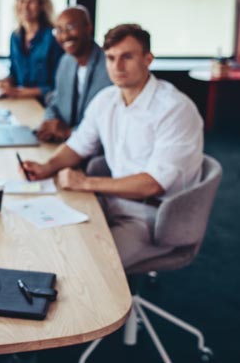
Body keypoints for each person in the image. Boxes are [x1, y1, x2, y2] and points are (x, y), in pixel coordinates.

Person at [22, 24, 203, 268]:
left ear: (147, 59)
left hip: (153, 217)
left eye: (127, 57)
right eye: (110, 58)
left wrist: (85, 183)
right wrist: (47, 166)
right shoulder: (106, 100)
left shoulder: (174, 109)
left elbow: (153, 183)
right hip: (110, 202)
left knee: (87, 269)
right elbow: (78, 145)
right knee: (51, 243)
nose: (117, 67)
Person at [37, 6, 112, 143]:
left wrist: (69, 133)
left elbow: (108, 122)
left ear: (88, 28)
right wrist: (51, 121)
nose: (65, 35)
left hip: (92, 149)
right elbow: (55, 101)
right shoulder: (66, 61)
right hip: (64, 144)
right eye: (59, 30)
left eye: (71, 27)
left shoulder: (109, 67)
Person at [0, 0, 63, 101]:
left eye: (31, 2)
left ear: (41, 5)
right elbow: (14, 74)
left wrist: (17, 93)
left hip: (44, 105)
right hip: (21, 102)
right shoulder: (15, 37)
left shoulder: (53, 38)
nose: (25, 6)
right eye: (21, 1)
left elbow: (57, 86)